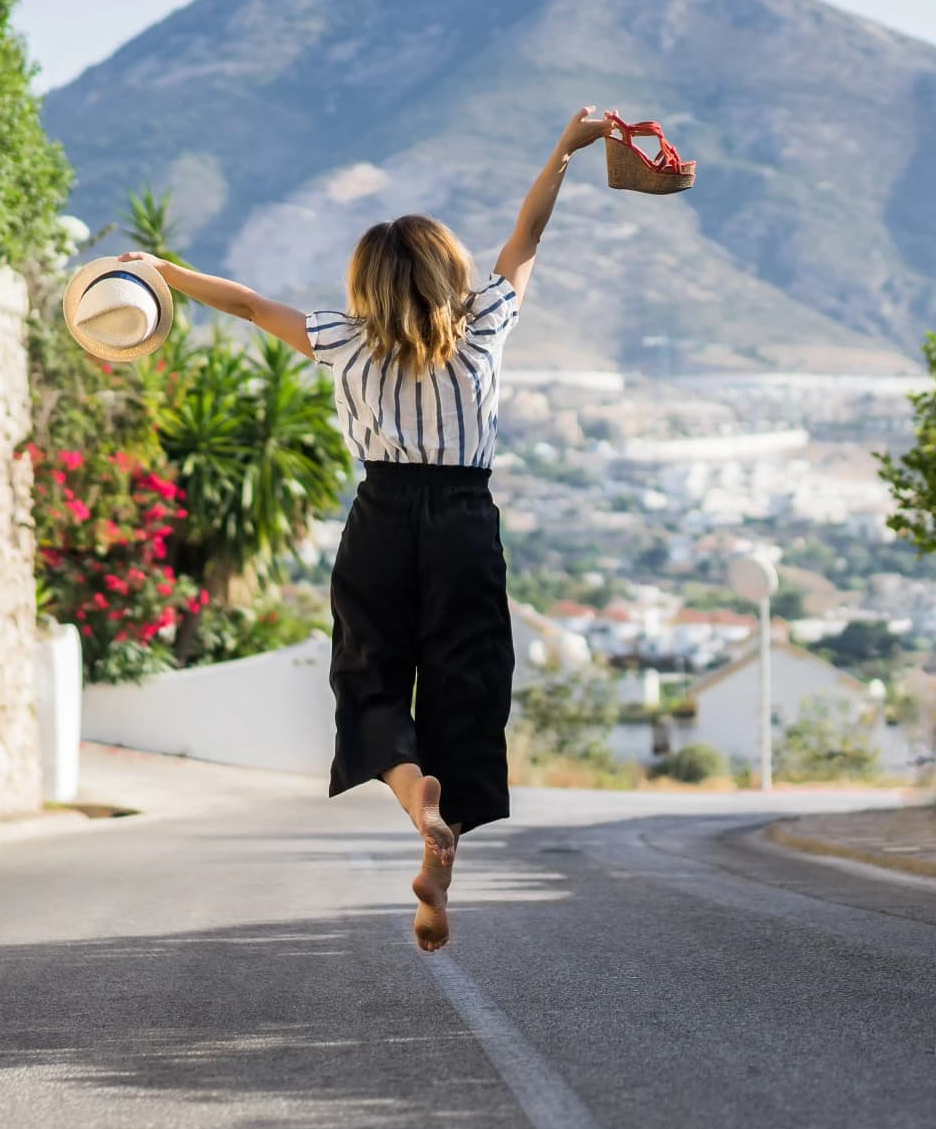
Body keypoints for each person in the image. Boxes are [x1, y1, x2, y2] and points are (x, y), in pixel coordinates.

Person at [121, 105, 611, 951]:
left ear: (369, 285)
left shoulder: (342, 339)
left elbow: (242, 302)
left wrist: (160, 269)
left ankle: (415, 793)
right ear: (446, 270)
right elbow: (528, 235)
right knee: (468, 682)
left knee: (371, 680)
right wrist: (564, 149)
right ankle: (443, 823)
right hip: (462, 518)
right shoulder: (485, 323)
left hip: (381, 517)